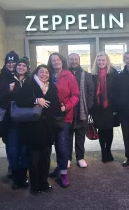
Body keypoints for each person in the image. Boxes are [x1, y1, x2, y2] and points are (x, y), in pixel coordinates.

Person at [16, 65, 60, 195]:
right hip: (33, 128)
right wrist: (36, 100)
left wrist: (58, 106)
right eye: (42, 72)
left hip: (48, 128)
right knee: (34, 158)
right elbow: (19, 100)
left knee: (46, 158)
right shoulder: (29, 84)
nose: (44, 74)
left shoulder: (51, 86)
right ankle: (35, 186)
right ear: (36, 73)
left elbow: (55, 104)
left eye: (47, 72)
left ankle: (44, 183)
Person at [47, 53, 79, 188]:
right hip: (48, 116)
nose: (55, 62)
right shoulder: (47, 74)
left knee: (62, 144)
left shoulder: (69, 76)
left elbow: (76, 95)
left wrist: (67, 106)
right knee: (53, 143)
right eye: (53, 60)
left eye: (57, 60)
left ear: (62, 61)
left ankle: (64, 172)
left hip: (64, 116)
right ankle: (59, 167)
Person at [0, 51, 19, 178]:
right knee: (10, 143)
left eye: (14, 62)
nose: (11, 64)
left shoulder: (23, 74)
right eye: (9, 62)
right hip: (6, 117)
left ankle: (21, 167)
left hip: (21, 116)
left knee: (21, 143)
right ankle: (12, 167)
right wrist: (8, 90)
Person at [67, 53, 95, 168]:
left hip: (81, 110)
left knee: (80, 136)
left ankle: (80, 158)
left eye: (76, 59)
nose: (74, 61)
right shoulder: (64, 74)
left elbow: (91, 91)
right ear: (68, 61)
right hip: (68, 110)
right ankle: (67, 158)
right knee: (67, 136)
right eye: (71, 59)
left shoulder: (87, 75)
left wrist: (87, 106)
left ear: (79, 61)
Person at [8, 57, 31, 189]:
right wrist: (8, 90)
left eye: (24, 65)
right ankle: (16, 177)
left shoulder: (32, 81)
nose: (21, 67)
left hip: (27, 121)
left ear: (27, 68)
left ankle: (24, 176)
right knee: (13, 150)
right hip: (12, 122)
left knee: (24, 150)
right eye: (19, 65)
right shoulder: (8, 80)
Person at [91, 52, 118, 163]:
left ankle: (108, 150)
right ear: (96, 62)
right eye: (99, 60)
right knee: (101, 130)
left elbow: (118, 91)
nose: (101, 62)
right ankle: (103, 151)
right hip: (98, 107)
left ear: (107, 61)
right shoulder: (93, 75)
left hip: (110, 106)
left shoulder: (113, 73)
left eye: (103, 60)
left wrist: (116, 108)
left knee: (109, 129)